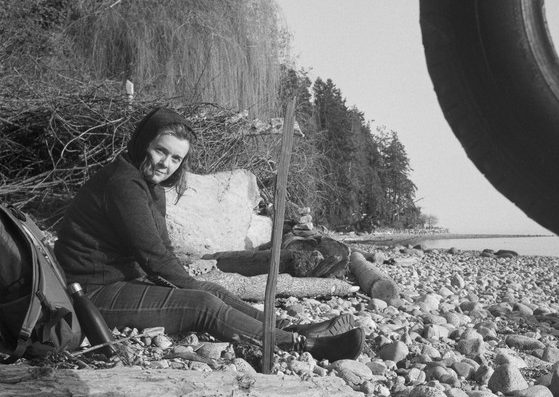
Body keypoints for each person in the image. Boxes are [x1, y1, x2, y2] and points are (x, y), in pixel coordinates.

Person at [54, 107, 365, 362]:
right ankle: (306, 345)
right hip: (91, 293)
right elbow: (153, 256)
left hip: (119, 280)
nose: (166, 163)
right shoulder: (123, 184)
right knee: (202, 304)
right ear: (143, 143)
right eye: (160, 150)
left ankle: (291, 327)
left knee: (210, 289)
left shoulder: (150, 186)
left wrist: (191, 284)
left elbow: (162, 247)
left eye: (175, 158)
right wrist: (188, 288)